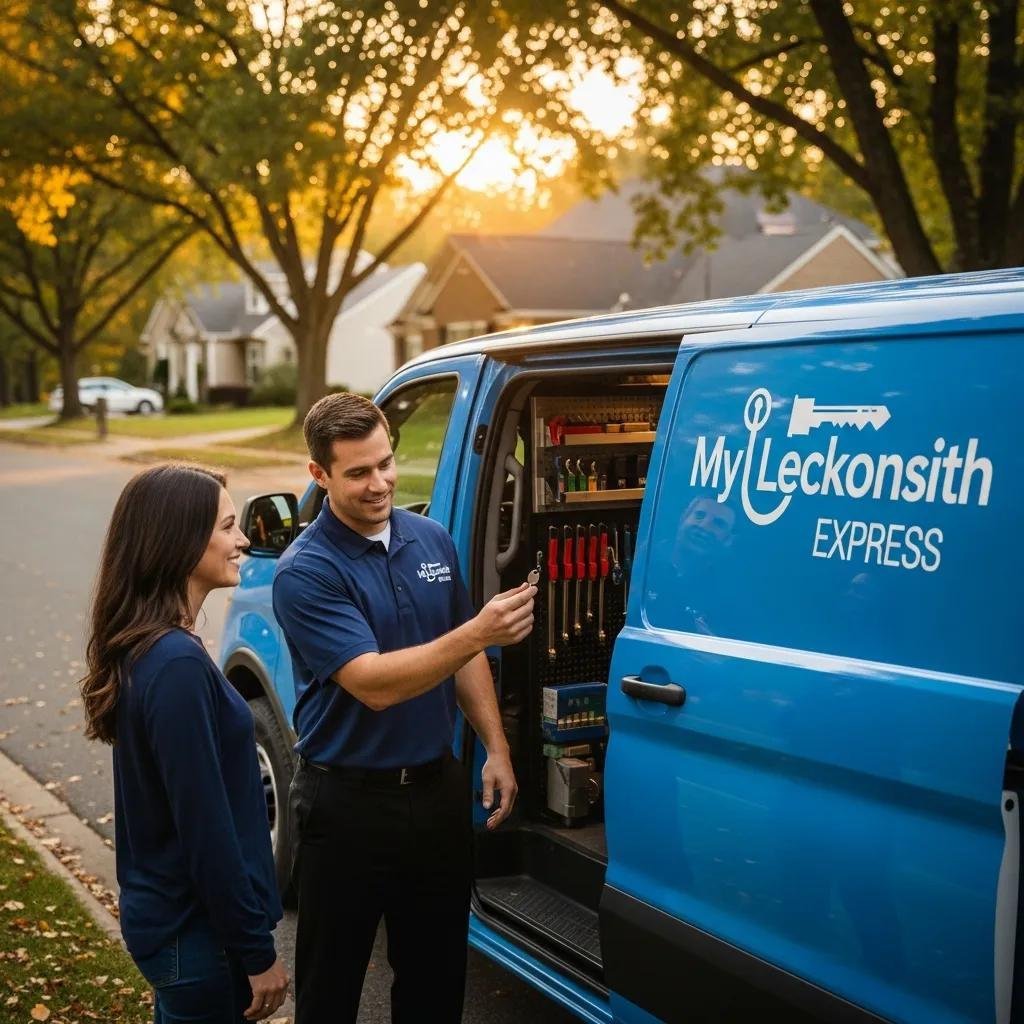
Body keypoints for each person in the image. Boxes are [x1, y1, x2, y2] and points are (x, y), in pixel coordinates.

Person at [272, 393, 536, 1024]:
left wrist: (494, 749)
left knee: (434, 985)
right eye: (358, 472)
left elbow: (459, 658)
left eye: (386, 463)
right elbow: (374, 683)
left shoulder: (431, 539)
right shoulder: (305, 572)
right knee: (329, 992)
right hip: (346, 808)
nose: (380, 482)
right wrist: (478, 631)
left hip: (436, 793)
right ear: (319, 475)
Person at [80, 464, 289, 1023]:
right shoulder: (174, 663)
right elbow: (205, 828)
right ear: (180, 541)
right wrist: (255, 950)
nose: (243, 538)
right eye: (226, 526)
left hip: (180, 928)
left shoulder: (157, 647)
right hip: (195, 936)